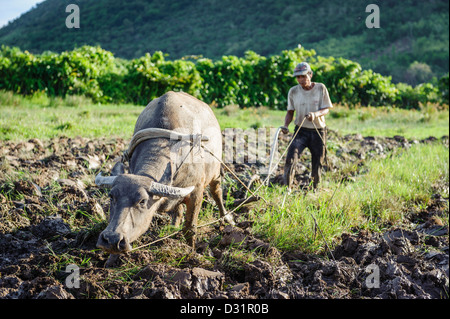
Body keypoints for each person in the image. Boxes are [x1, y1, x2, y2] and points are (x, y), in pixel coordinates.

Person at [281, 62, 333, 189]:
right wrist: (286, 125)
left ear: (310, 75)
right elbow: (290, 112)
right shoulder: (293, 91)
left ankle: (315, 188)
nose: (301, 80)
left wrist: (315, 115)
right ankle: (287, 188)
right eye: (298, 77)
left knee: (317, 162)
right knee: (291, 158)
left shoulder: (321, 88)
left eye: (303, 76)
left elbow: (326, 109)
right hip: (300, 131)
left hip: (318, 131)